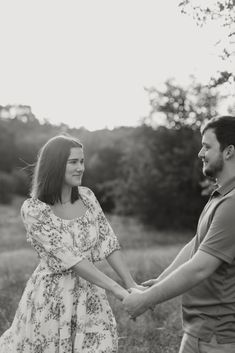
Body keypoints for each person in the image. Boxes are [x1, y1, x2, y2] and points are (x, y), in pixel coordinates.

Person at [0, 134, 143, 353]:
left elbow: (108, 241)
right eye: (73, 162)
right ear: (55, 165)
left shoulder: (87, 197)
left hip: (91, 295)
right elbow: (70, 259)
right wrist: (116, 289)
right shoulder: (34, 210)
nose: (80, 168)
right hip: (52, 300)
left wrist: (131, 284)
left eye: (82, 161)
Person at [124, 115, 235, 353]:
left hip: (218, 336)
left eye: (207, 146)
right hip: (200, 331)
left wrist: (146, 300)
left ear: (229, 152)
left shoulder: (233, 204)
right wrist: (160, 280)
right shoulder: (222, 197)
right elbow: (197, 244)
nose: (200, 153)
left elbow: (201, 267)